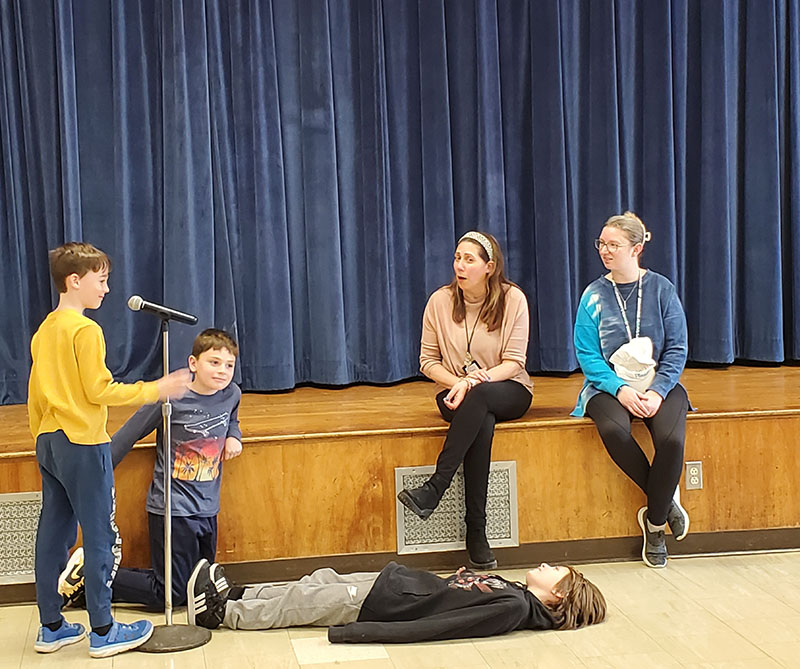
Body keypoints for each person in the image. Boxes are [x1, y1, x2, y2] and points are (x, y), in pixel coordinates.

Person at [28, 242, 190, 657]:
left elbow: (36, 393)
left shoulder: (46, 329)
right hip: (83, 442)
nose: (106, 289)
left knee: (54, 532)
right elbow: (99, 390)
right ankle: (103, 630)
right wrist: (157, 389)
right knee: (101, 533)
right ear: (74, 280)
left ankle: (51, 625)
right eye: (101, 281)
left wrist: (44, 433)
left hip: (49, 440)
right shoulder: (85, 330)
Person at [58, 329, 243, 611]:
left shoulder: (231, 394)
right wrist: (96, 471)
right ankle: (92, 574)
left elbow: (232, 418)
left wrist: (234, 436)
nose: (222, 371)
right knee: (168, 594)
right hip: (173, 509)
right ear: (193, 363)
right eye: (214, 362)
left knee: (197, 585)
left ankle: (94, 587)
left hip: (207, 508)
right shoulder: (170, 398)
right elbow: (129, 434)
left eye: (229, 365)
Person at [397, 231, 532, 570]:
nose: (460, 265)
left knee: (482, 396)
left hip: (507, 388)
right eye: (457, 258)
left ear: (489, 267)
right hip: (458, 392)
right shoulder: (439, 301)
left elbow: (515, 362)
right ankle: (476, 530)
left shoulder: (513, 299)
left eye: (469, 260)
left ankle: (436, 486)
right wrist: (459, 383)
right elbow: (427, 362)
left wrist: (473, 380)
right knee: (480, 419)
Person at [572, 212, 690, 569]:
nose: (605, 251)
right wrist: (619, 389)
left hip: (659, 381)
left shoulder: (661, 289)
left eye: (613, 245)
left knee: (671, 441)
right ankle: (665, 498)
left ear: (636, 249)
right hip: (607, 386)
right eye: (602, 244)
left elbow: (678, 347)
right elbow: (588, 354)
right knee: (613, 429)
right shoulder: (593, 294)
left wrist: (657, 391)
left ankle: (654, 524)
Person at [185, 558, 606, 641]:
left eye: (556, 574)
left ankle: (223, 615)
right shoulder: (513, 590)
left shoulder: (514, 607)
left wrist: (362, 632)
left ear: (556, 597)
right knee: (318, 579)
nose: (549, 566)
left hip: (385, 604)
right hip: (393, 581)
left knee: (304, 600)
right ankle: (238, 592)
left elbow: (441, 627)